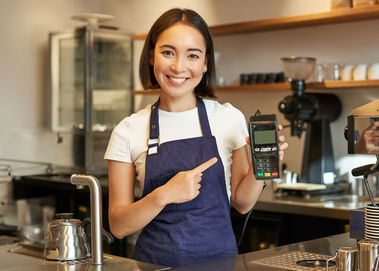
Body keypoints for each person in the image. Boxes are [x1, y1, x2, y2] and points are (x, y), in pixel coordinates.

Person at [103, 8, 287, 267]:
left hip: (220, 264)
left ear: (205, 63)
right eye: (168, 52)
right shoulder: (128, 130)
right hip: (155, 265)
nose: (179, 66)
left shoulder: (228, 118)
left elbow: (242, 203)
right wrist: (164, 195)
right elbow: (119, 225)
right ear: (151, 57)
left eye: (192, 55)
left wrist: (262, 168)